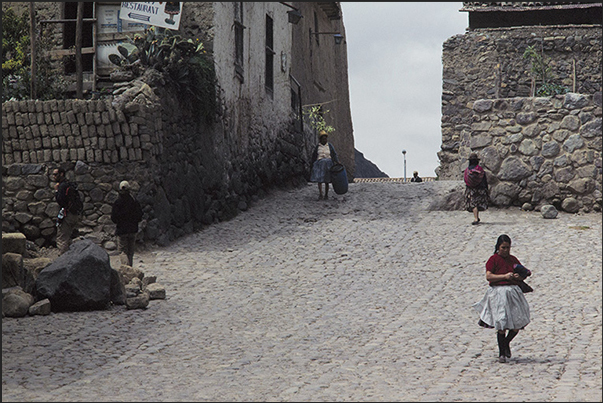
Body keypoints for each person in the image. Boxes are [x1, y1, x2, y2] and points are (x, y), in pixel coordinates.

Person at [473, 234, 531, 363]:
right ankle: (502, 353)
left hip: (513, 293)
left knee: (517, 322)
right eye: (503, 247)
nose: (505, 250)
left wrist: (518, 276)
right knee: (502, 322)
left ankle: (506, 343)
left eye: (508, 247)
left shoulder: (513, 259)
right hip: (499, 293)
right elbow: (489, 277)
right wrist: (504, 276)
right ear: (498, 247)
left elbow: (524, 274)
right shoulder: (493, 259)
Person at [111, 181, 143, 267]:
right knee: (130, 252)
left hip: (122, 230)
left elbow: (113, 218)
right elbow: (139, 215)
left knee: (122, 251)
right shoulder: (134, 201)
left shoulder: (118, 202)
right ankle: (130, 268)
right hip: (133, 229)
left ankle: (126, 269)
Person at [53, 167, 82, 255]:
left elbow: (61, 201)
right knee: (69, 237)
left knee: (62, 238)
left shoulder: (62, 186)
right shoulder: (70, 184)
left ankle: (63, 260)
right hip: (75, 214)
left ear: (61, 174)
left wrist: (56, 191)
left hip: (68, 214)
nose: (53, 176)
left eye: (55, 174)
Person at [310, 130, 339, 200]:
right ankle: (320, 194)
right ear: (320, 139)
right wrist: (312, 164)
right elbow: (314, 155)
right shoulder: (318, 147)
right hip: (319, 164)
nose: (325, 140)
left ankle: (326, 194)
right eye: (323, 139)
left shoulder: (330, 146)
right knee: (319, 180)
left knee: (327, 180)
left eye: (325, 138)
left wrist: (337, 162)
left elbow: (334, 154)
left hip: (328, 164)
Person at [463, 152, 489, 225]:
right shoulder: (480, 170)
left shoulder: (467, 170)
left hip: (471, 189)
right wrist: (486, 189)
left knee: (473, 204)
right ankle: (477, 217)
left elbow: (465, 180)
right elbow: (484, 179)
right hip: (480, 189)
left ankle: (476, 218)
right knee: (478, 203)